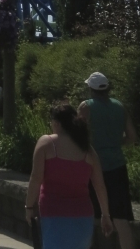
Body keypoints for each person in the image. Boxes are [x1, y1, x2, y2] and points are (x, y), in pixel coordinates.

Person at [25, 102, 113, 249]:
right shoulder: (87, 149)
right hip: (83, 216)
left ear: (57, 123)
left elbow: (36, 178)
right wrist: (105, 215)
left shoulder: (47, 143)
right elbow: (99, 185)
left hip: (53, 214)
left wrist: (29, 206)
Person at [79, 72, 138, 249]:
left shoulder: (86, 107)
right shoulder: (120, 106)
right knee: (120, 217)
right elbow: (132, 137)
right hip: (117, 166)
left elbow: (78, 136)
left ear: (91, 89)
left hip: (93, 166)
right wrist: (115, 142)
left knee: (88, 215)